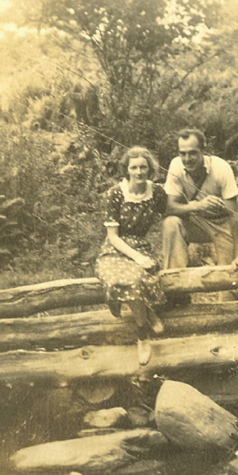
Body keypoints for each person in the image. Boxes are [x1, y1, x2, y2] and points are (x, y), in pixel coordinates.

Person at [95, 146, 167, 366]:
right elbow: (113, 236)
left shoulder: (157, 193)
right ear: (126, 169)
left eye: (143, 167)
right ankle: (143, 333)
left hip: (141, 245)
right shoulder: (115, 194)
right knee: (127, 279)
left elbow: (169, 214)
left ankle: (143, 314)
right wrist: (137, 257)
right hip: (115, 248)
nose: (139, 172)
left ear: (150, 168)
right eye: (133, 167)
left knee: (141, 276)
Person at [162, 128, 238, 305]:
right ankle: (176, 293)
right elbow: (169, 207)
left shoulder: (221, 169)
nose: (187, 159)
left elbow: (235, 215)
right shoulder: (176, 166)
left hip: (226, 223)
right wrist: (197, 206)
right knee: (171, 223)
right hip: (198, 221)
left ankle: (230, 314)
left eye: (193, 153)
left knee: (229, 278)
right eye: (183, 153)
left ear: (204, 150)